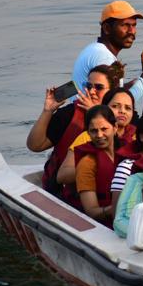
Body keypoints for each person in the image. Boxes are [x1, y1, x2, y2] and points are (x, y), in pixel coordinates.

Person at [27, 64, 121, 195]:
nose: (92, 91)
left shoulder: (122, 117)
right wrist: (48, 110)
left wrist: (95, 113)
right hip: (63, 190)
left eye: (99, 87)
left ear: (112, 92)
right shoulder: (69, 114)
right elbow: (35, 145)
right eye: (89, 86)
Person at [71, 0, 143, 109]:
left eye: (134, 25)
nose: (132, 31)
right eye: (125, 25)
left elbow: (110, 95)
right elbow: (118, 105)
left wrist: (127, 86)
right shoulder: (103, 57)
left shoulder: (95, 49)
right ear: (107, 28)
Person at [56, 88, 136, 189]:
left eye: (128, 108)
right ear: (104, 108)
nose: (122, 111)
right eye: (115, 106)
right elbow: (62, 175)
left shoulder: (137, 137)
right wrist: (96, 167)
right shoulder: (87, 137)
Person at [74, 105, 122, 225]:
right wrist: (114, 209)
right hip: (105, 223)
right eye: (94, 131)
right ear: (88, 133)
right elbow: (91, 211)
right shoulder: (86, 164)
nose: (99, 135)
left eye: (104, 129)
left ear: (115, 127)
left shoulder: (128, 153)